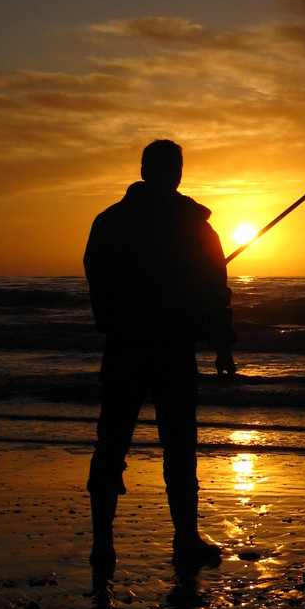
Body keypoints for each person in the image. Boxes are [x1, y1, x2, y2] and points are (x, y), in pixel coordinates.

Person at [83, 139, 236, 582]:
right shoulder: (191, 226)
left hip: (136, 347)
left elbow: (214, 293)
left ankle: (115, 543)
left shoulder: (111, 221)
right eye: (171, 167)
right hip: (154, 347)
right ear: (155, 171)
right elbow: (216, 292)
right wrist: (218, 343)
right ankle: (118, 542)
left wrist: (221, 344)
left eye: (176, 167)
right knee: (152, 446)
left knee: (132, 444)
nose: (175, 174)